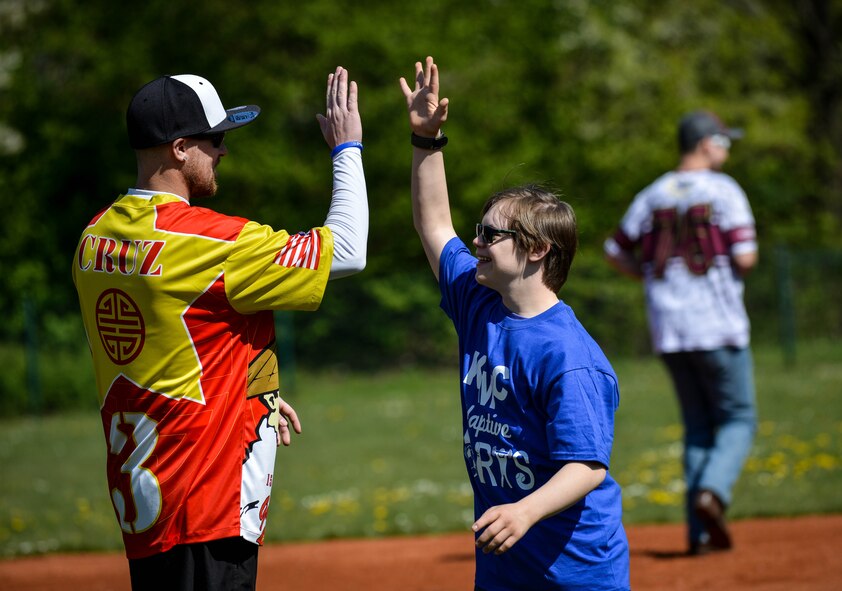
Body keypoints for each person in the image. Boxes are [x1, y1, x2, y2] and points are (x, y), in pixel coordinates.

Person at [72, 68, 366, 590]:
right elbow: (347, 248)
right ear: (181, 148)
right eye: (217, 139)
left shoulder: (94, 239)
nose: (225, 152)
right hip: (204, 505)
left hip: (145, 504)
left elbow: (165, 345)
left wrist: (248, 391)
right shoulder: (209, 243)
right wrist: (348, 149)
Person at [400, 57, 630, 591]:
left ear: (537, 249)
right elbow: (433, 222)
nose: (475, 240)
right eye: (478, 230)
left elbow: (587, 467)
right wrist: (426, 141)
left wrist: (524, 512)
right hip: (506, 566)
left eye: (490, 233)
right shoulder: (480, 300)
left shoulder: (569, 357)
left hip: (575, 571)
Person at [604, 110, 758, 555]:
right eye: (724, 141)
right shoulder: (724, 190)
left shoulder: (652, 195)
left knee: (697, 428)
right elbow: (745, 257)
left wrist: (649, 275)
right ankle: (712, 492)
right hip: (718, 324)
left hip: (669, 327)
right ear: (706, 143)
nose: (726, 149)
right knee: (738, 419)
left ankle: (699, 533)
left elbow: (615, 251)